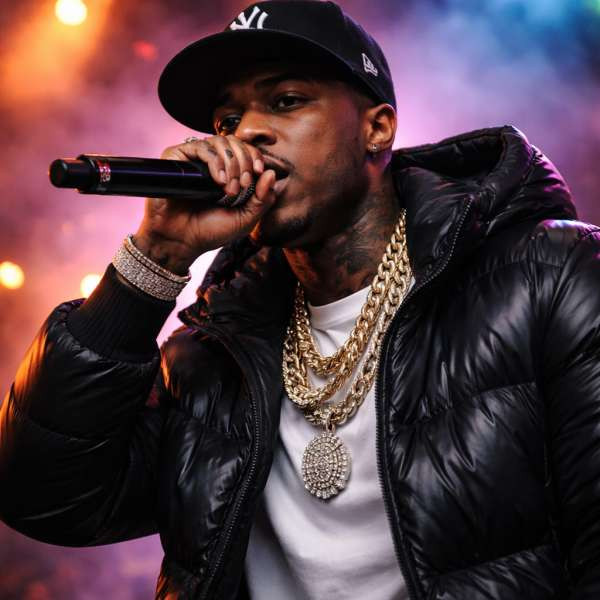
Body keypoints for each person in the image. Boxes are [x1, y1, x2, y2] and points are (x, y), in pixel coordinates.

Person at [0, 1, 599, 598]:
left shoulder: (548, 276)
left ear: (377, 128)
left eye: (286, 100)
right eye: (227, 120)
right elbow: (46, 500)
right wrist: (156, 259)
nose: (247, 133)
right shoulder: (207, 356)